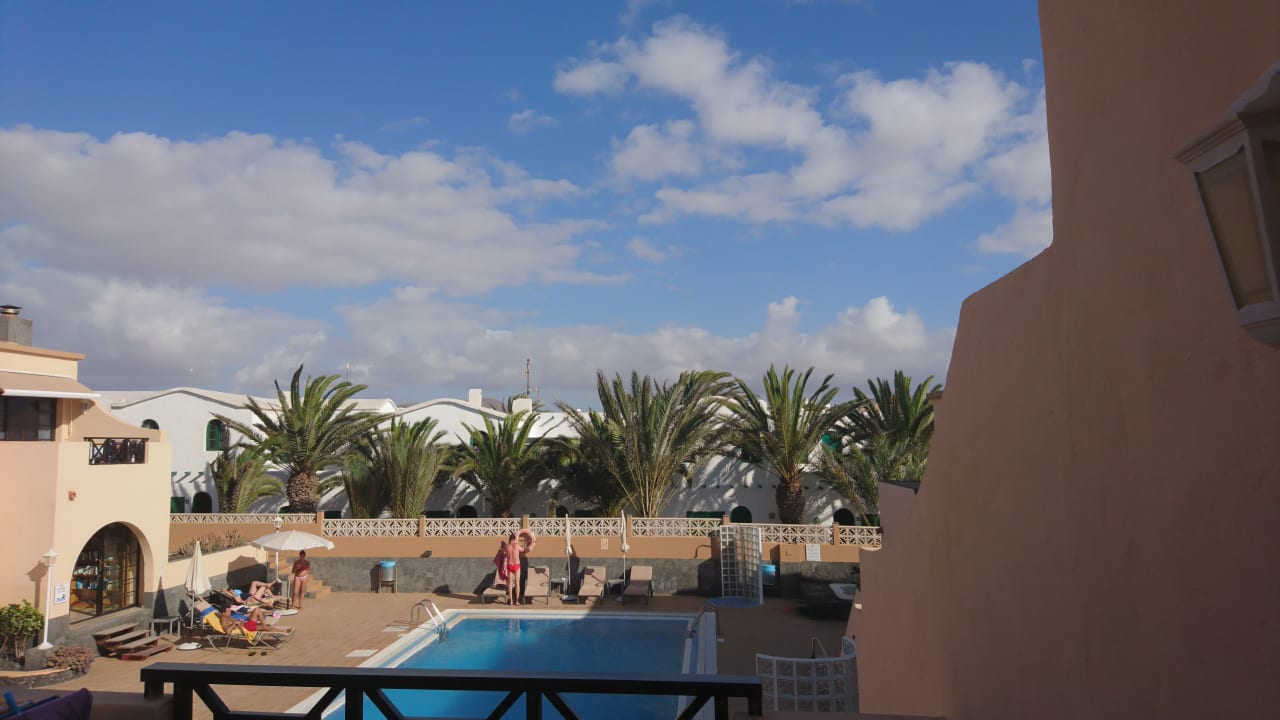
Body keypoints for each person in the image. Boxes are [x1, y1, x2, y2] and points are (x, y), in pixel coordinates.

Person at [517, 528, 537, 604]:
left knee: (524, 579)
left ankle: (522, 595)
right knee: (521, 580)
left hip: (521, 565)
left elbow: (528, 547)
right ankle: (521, 595)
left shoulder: (518, 548)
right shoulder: (518, 549)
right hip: (519, 565)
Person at [504, 533, 522, 606]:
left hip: (509, 565)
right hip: (516, 565)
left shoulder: (506, 546)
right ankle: (517, 601)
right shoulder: (517, 546)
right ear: (514, 539)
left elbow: (503, 552)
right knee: (517, 583)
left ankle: (511, 601)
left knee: (510, 584)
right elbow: (524, 550)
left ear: (509, 539)